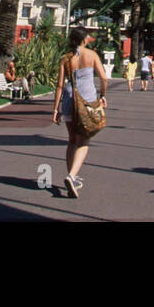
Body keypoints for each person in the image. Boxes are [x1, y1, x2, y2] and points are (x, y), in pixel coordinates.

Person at [52, 26, 108, 198]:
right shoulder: (92, 55)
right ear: (84, 39)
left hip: (70, 99)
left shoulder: (65, 59)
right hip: (88, 100)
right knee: (84, 141)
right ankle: (72, 176)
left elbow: (60, 85)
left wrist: (55, 109)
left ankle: (73, 178)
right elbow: (104, 78)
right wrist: (102, 95)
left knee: (72, 140)